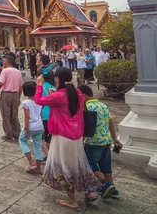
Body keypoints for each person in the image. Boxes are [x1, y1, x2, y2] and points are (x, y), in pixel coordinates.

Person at [34, 68, 100, 210]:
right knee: (79, 165)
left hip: (63, 137)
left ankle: (72, 200)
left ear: (57, 79)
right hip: (76, 135)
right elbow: (66, 101)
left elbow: (38, 100)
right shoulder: (76, 92)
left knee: (65, 168)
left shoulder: (59, 96)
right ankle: (90, 192)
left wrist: (39, 85)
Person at [79, 84, 121, 199]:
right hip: (106, 140)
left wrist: (81, 140)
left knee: (90, 163)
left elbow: (85, 127)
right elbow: (111, 123)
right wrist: (114, 138)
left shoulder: (86, 108)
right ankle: (113, 188)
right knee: (106, 165)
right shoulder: (103, 106)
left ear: (83, 95)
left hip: (93, 141)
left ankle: (105, 183)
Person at [18, 81, 44, 174]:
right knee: (37, 145)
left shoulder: (26, 103)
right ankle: (38, 168)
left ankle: (31, 162)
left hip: (30, 126)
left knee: (22, 141)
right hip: (39, 126)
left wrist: (26, 128)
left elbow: (27, 117)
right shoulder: (39, 101)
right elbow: (40, 114)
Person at [0, 56, 23, 142]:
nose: (3, 63)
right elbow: (21, 86)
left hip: (6, 94)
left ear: (7, 62)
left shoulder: (5, 70)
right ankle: (17, 133)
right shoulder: (18, 72)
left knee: (6, 114)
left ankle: (9, 134)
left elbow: (1, 82)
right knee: (14, 114)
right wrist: (19, 97)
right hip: (15, 94)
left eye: (4, 61)